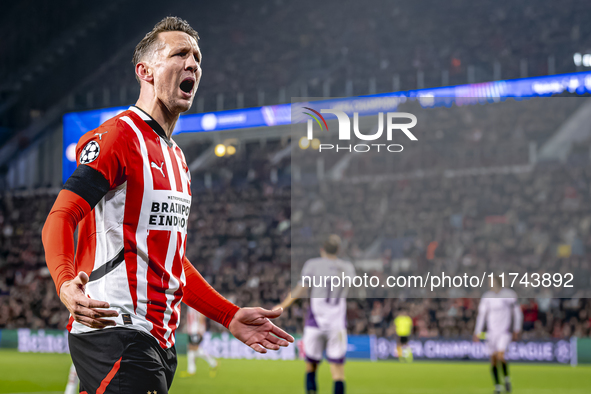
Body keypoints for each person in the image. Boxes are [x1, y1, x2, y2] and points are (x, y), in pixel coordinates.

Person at [42, 16, 293, 394]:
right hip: (117, 330)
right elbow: (60, 217)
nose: (193, 63)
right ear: (145, 71)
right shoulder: (118, 136)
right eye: (179, 54)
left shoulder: (177, 159)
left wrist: (229, 315)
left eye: (197, 57)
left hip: (160, 339)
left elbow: (172, 262)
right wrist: (65, 284)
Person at [275, 235, 356, 394]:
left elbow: (300, 290)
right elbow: (353, 288)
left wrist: (282, 306)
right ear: (338, 250)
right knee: (338, 371)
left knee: (310, 365)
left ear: (321, 250)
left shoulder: (312, 265)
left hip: (315, 322)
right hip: (337, 324)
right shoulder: (347, 267)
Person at [473, 278, 522, 394]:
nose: (490, 284)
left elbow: (517, 313)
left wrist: (517, 329)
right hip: (491, 333)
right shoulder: (487, 297)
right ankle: (498, 386)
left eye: (492, 281)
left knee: (501, 356)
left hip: (504, 332)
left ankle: (506, 379)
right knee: (493, 360)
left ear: (498, 282)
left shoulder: (509, 294)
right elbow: (481, 316)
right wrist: (477, 331)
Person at [185, 305, 217, 376]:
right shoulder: (189, 304)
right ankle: (212, 363)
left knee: (193, 349)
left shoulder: (194, 303)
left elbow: (202, 314)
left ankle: (191, 370)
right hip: (192, 329)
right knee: (193, 350)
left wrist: (200, 327)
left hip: (196, 329)